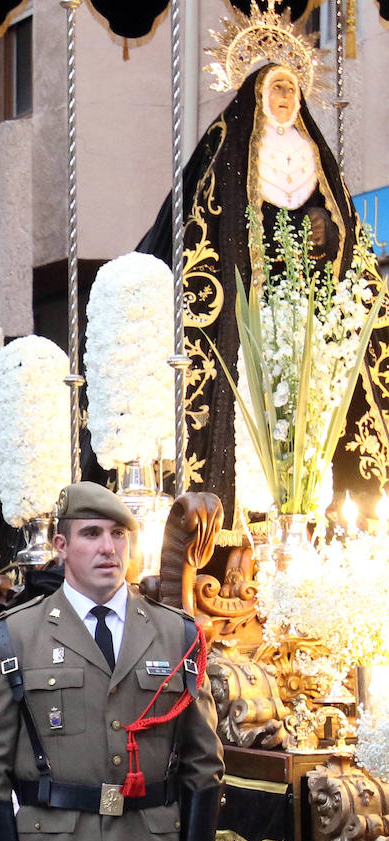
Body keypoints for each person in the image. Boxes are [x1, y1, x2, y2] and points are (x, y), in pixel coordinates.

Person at [137, 61, 389, 524]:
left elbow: (344, 235)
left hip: (305, 310)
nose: (285, 99)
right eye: (277, 89)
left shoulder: (314, 154)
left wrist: (324, 235)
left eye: (292, 90)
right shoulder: (230, 145)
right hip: (244, 310)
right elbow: (209, 221)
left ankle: (324, 513)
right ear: (257, 95)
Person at [0, 481, 224, 841]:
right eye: (92, 533)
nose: (109, 548)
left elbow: (203, 761)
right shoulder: (15, 636)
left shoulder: (177, 633)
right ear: (61, 545)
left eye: (119, 534)